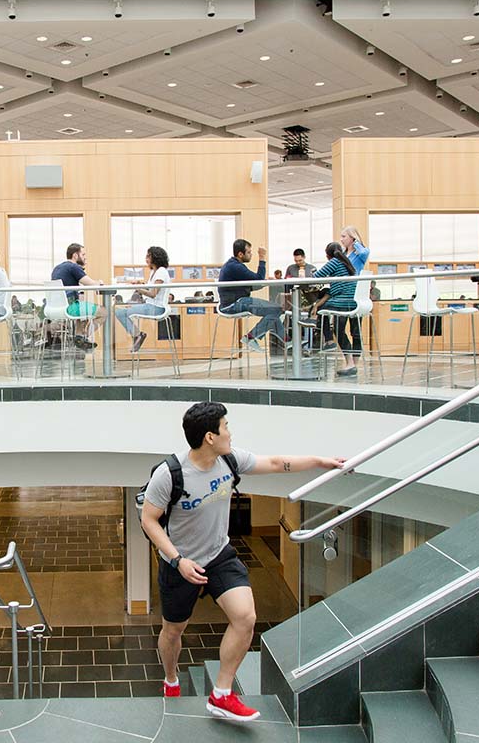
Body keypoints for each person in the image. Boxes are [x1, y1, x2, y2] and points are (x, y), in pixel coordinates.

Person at [141, 402, 344, 721]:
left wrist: (321, 461)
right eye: (225, 426)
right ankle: (170, 680)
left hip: (218, 554)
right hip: (179, 563)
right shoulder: (171, 474)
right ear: (210, 437)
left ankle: (221, 694)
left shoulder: (230, 460)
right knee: (173, 631)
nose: (230, 432)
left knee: (245, 617)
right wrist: (178, 559)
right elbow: (149, 520)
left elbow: (277, 463)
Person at [217, 239, 284, 352]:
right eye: (249, 252)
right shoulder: (236, 267)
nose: (251, 254)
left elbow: (253, 282)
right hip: (235, 304)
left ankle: (287, 341)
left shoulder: (233, 265)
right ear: (240, 254)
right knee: (276, 310)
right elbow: (258, 279)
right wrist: (262, 257)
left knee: (275, 311)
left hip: (236, 302)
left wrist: (263, 282)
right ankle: (251, 337)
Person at [314, 241, 360, 376]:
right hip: (353, 301)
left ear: (328, 255)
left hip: (342, 301)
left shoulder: (334, 261)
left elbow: (316, 277)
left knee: (321, 307)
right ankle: (352, 364)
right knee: (346, 330)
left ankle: (329, 341)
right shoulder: (347, 262)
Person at [50, 243, 106, 349]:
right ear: (75, 255)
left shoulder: (57, 268)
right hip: (69, 307)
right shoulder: (73, 267)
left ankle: (79, 338)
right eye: (83, 255)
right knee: (103, 312)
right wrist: (100, 282)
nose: (85, 258)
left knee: (82, 310)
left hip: (55, 308)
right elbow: (91, 284)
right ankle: (83, 336)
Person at [116, 246, 171, 352]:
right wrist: (140, 284)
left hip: (156, 308)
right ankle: (137, 336)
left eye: (148, 256)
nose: (146, 259)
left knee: (119, 313)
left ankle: (137, 335)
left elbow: (153, 293)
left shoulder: (161, 272)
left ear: (155, 257)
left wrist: (137, 288)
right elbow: (151, 287)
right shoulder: (154, 272)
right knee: (122, 311)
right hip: (151, 305)